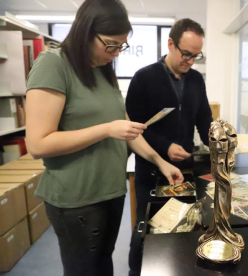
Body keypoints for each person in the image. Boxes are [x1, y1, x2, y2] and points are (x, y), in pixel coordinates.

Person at [25, 0, 183, 275]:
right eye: (111, 44)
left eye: (121, 46)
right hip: (77, 199)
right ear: (85, 31)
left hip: (110, 190)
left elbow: (125, 129)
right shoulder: (53, 64)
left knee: (102, 266)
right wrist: (106, 129)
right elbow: (38, 144)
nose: (116, 53)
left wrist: (160, 161)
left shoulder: (102, 68)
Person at [125, 18, 212, 275]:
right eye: (186, 54)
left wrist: (218, 144)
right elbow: (134, 129)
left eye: (196, 56)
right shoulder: (144, 78)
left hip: (184, 169)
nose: (190, 61)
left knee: (183, 227)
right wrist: (165, 147)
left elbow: (204, 120)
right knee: (146, 229)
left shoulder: (196, 80)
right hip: (151, 169)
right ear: (170, 43)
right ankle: (136, 271)